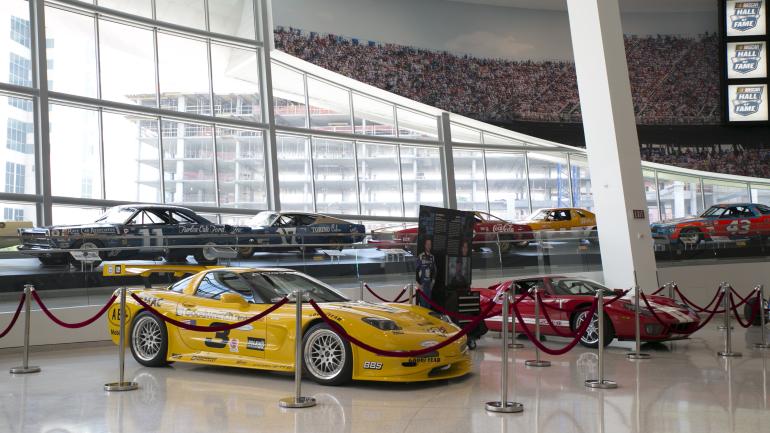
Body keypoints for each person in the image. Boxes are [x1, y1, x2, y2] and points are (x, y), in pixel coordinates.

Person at [415, 238, 437, 309]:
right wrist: (418, 284)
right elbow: (416, 270)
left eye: (430, 244)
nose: (429, 246)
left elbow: (434, 270)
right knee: (423, 306)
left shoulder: (432, 257)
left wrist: (433, 282)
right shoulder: (421, 256)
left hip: (429, 285)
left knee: (429, 305)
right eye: (427, 244)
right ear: (425, 245)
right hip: (422, 285)